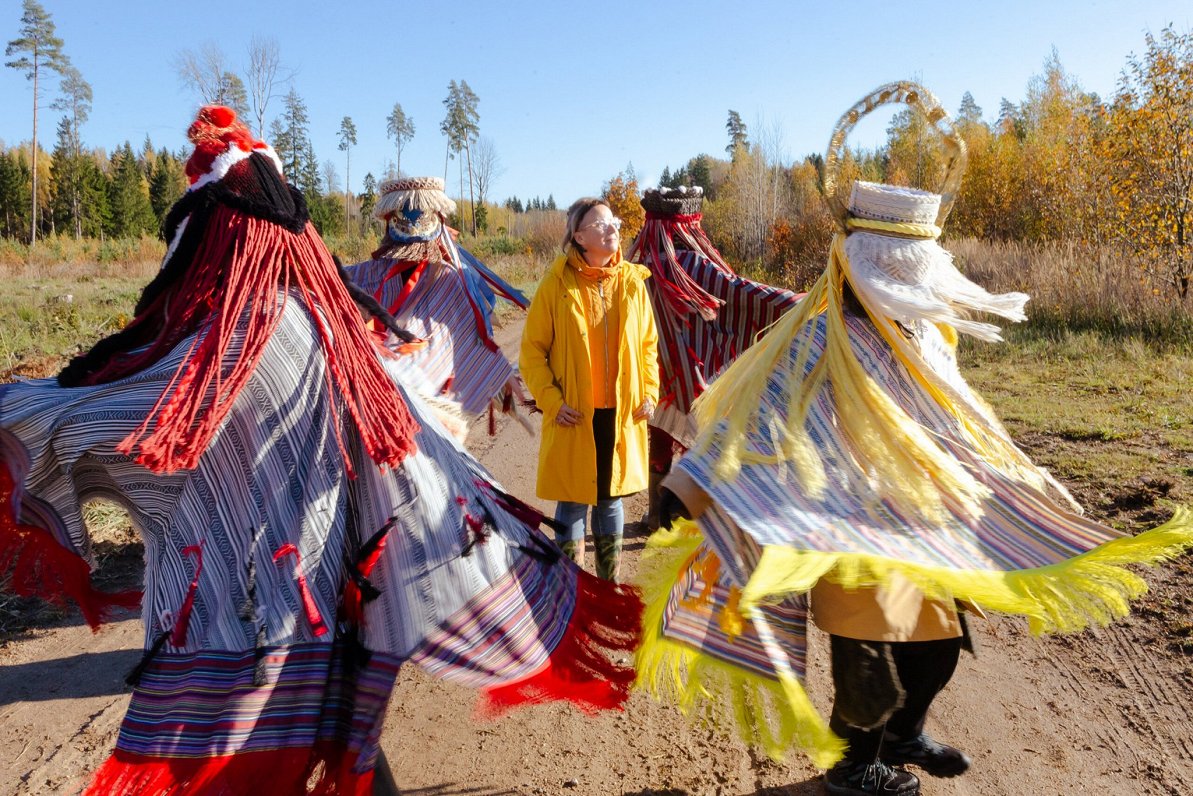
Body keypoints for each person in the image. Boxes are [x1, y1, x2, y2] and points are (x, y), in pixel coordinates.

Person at [0, 107, 643, 796]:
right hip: (319, 600)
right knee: (336, 740)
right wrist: (493, 549)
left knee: (250, 764)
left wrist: (19, 408)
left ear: (213, 238)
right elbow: (412, 453)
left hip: (231, 618)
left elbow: (90, 413)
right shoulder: (327, 329)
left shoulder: (210, 347)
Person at [634, 82, 1193, 796]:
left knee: (935, 655)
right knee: (868, 665)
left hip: (926, 519)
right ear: (862, 263)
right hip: (846, 526)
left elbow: (955, 414)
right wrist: (682, 491)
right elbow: (756, 417)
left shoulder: (929, 334)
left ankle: (903, 735)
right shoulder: (815, 338)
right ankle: (850, 769)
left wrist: (1017, 481)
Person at [625, 186, 801, 529]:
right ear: (688, 226)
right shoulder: (691, 264)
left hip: (655, 376)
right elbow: (741, 293)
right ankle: (692, 520)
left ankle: (655, 516)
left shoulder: (638, 266)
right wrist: (800, 302)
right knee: (701, 443)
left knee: (660, 441)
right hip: (692, 375)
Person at [520, 197, 660, 582]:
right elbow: (532, 353)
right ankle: (574, 589)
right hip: (574, 413)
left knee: (611, 498)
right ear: (579, 236)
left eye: (613, 221)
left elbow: (648, 346)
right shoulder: (556, 283)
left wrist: (649, 391)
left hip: (621, 412)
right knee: (572, 500)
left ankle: (607, 586)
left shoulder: (633, 282)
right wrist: (551, 401)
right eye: (600, 225)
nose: (612, 228)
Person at [344, 177, 530, 435]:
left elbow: (472, 338)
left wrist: (498, 375)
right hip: (378, 412)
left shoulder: (450, 280)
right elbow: (325, 285)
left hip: (430, 418)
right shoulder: (365, 276)